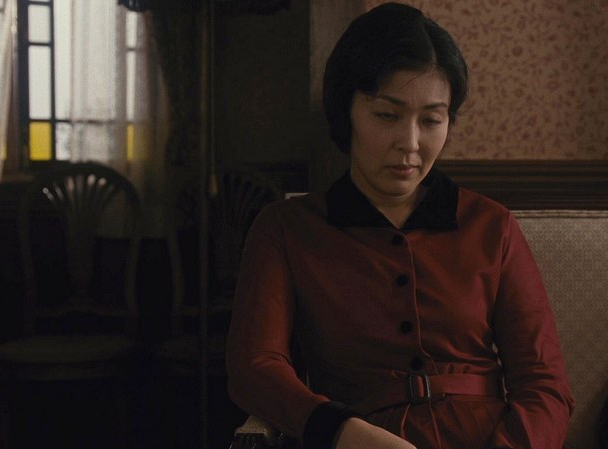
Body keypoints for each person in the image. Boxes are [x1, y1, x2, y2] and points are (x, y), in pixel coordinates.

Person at [226, 3, 575, 448]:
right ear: (346, 111)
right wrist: (342, 431)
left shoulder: (492, 226)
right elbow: (254, 368)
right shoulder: (287, 229)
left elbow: (544, 384)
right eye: (387, 115)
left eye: (431, 120)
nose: (410, 143)